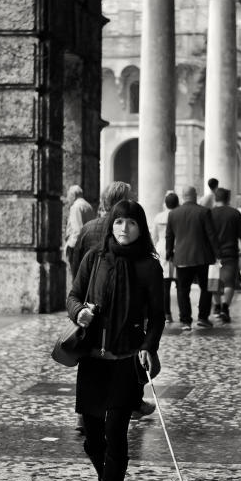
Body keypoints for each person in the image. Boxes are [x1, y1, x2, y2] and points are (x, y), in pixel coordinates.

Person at [67, 200, 164, 481]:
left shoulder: (149, 267)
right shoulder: (94, 258)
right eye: (118, 222)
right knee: (93, 440)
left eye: (131, 223)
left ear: (141, 227)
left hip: (125, 362)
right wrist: (80, 313)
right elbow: (74, 296)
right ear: (111, 225)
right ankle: (106, 477)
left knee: (116, 437)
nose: (124, 228)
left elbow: (157, 316)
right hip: (94, 361)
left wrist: (148, 347)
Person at [70, 181, 155, 423]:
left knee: (98, 357)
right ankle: (130, 402)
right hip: (113, 315)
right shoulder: (122, 234)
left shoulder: (87, 228)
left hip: (93, 311)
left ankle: (90, 412)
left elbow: (77, 271)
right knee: (125, 353)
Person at [165, 185, 219, 330]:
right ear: (195, 195)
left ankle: (185, 321)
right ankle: (202, 317)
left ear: (183, 196)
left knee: (183, 290)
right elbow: (211, 235)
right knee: (205, 288)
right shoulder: (204, 211)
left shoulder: (173, 214)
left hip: (182, 257)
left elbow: (169, 236)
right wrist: (217, 254)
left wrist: (169, 253)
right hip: (203, 257)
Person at [210, 187, 241, 323]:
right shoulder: (235, 214)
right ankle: (225, 307)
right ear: (228, 199)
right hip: (230, 252)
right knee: (229, 281)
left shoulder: (209, 213)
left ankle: (217, 306)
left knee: (214, 280)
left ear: (216, 198)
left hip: (213, 253)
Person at [151, 191, 179, 324]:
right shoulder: (178, 215)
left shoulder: (158, 217)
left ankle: (167, 313)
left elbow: (154, 236)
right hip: (177, 247)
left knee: (165, 285)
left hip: (162, 247)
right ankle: (183, 313)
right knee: (180, 284)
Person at [65, 185, 95, 280]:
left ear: (73, 195)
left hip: (77, 247)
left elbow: (78, 230)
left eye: (68, 196)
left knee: (76, 278)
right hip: (87, 245)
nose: (67, 199)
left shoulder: (76, 207)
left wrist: (70, 246)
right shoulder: (88, 205)